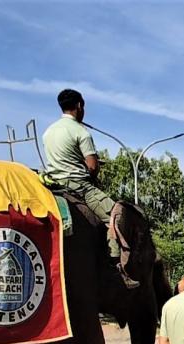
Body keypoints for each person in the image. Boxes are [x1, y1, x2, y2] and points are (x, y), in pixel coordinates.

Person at [42, 89, 138, 288]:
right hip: (79, 186)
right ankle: (115, 268)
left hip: (52, 182)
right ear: (79, 106)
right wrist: (93, 168)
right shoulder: (81, 132)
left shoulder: (48, 132)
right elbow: (92, 168)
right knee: (116, 216)